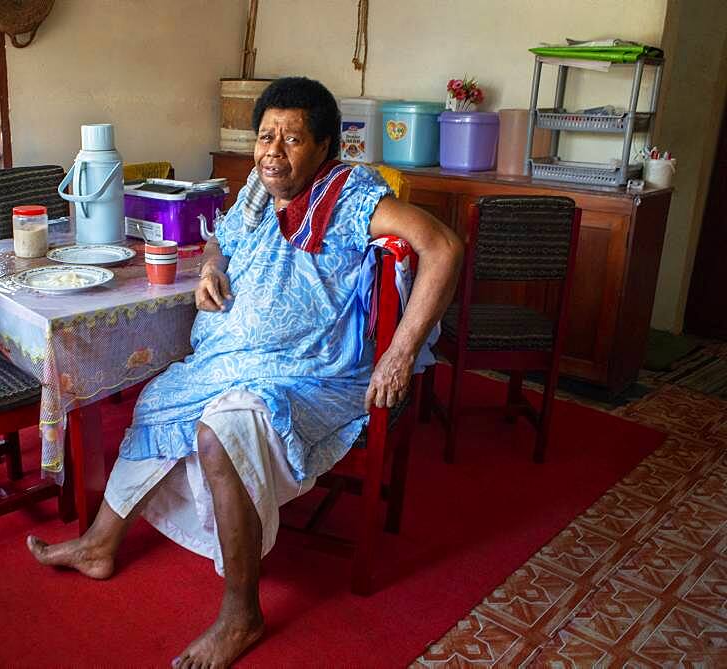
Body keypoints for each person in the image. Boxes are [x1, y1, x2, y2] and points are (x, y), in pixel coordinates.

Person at [28, 77, 463, 668]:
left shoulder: (353, 194)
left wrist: (400, 352)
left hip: (312, 372)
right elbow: (221, 242)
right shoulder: (259, 193)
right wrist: (210, 266)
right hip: (233, 359)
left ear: (325, 147)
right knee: (159, 398)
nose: (273, 152)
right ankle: (100, 544)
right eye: (265, 136)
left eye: (292, 139)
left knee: (220, 433)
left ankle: (242, 613)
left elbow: (442, 246)